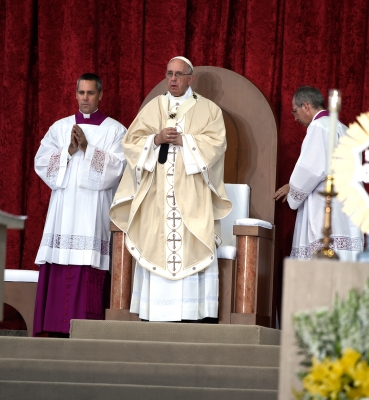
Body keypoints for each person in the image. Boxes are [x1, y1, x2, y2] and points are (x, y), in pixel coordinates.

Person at [110, 56, 232, 322]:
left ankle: (191, 313)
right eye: (169, 74)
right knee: (155, 240)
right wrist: (155, 139)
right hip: (157, 195)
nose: (173, 79)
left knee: (190, 244)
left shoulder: (209, 110)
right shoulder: (154, 106)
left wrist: (185, 141)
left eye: (179, 74)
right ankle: (155, 310)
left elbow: (217, 144)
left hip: (192, 193)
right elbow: (131, 143)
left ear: (191, 78)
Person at [33, 73, 127, 336]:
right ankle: (52, 327)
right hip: (63, 210)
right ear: (75, 94)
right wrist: (68, 151)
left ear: (100, 95)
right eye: (81, 93)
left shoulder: (115, 130)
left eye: (91, 93)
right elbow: (41, 163)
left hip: (93, 210)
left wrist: (88, 148)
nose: (85, 98)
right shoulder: (60, 128)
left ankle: (88, 331)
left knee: (89, 262)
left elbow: (119, 168)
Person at [274, 86, 363, 260]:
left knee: (323, 264)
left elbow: (310, 169)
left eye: (295, 111)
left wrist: (292, 188)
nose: (295, 118)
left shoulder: (319, 127)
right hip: (350, 210)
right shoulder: (343, 128)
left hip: (328, 208)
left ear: (306, 106)